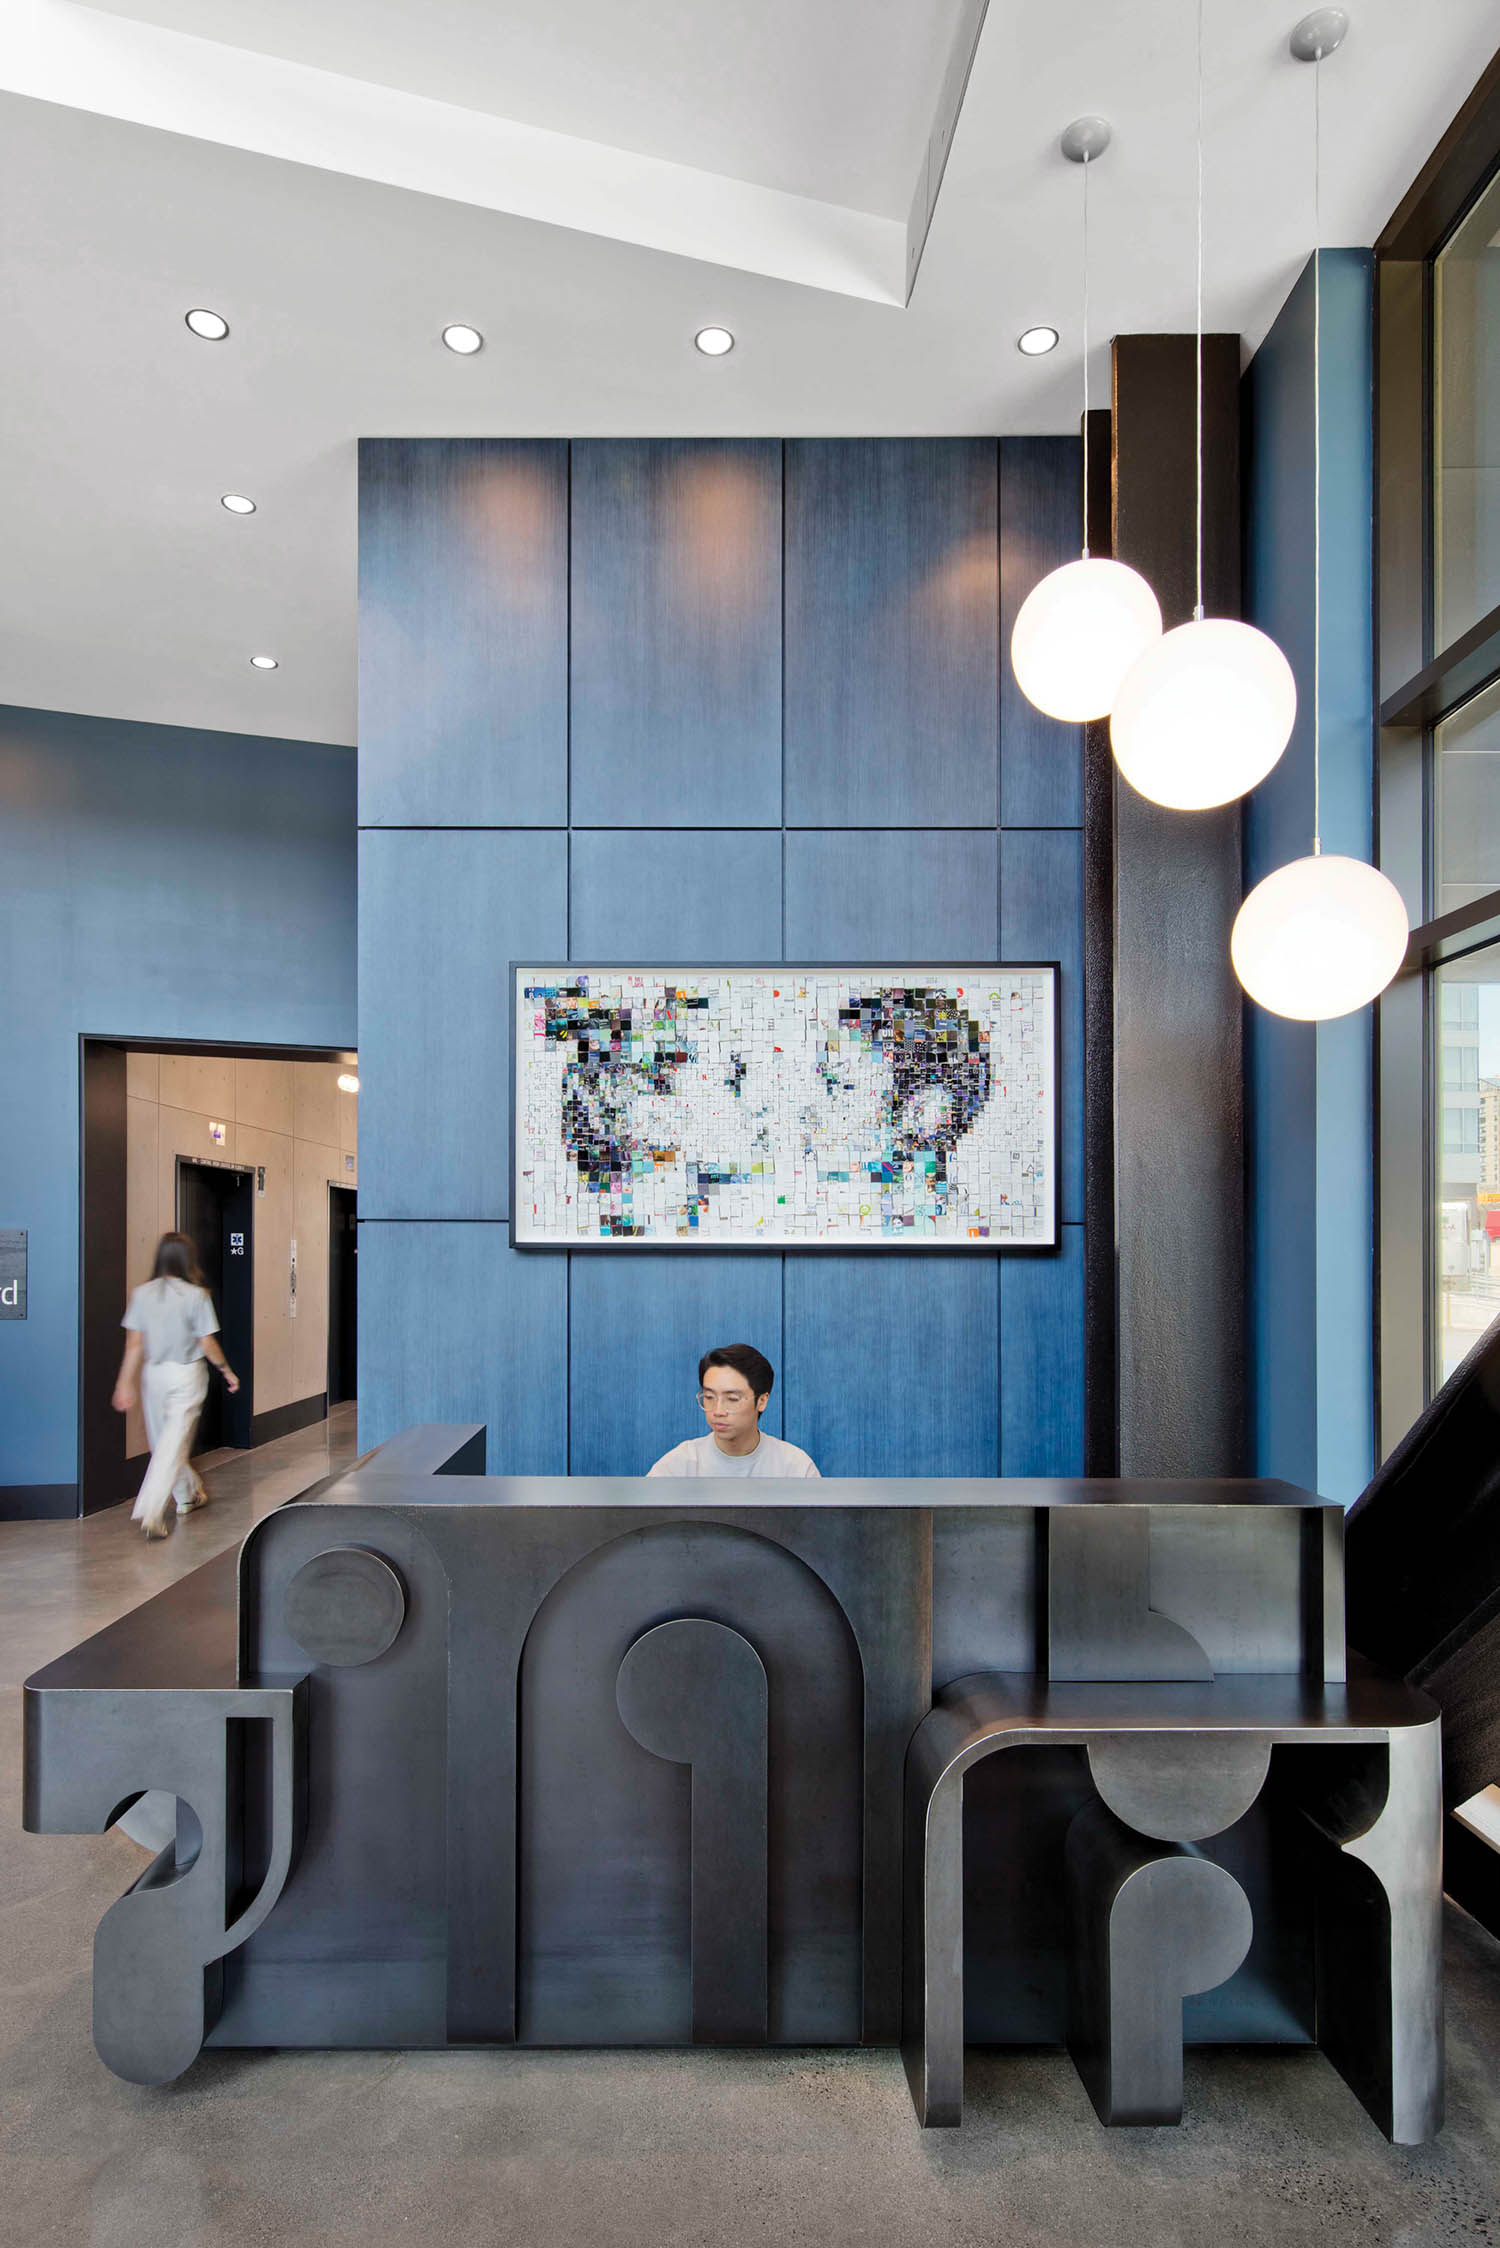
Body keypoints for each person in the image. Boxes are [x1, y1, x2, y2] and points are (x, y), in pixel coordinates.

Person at [112, 1231, 239, 1538]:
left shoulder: (142, 1294)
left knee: (164, 1442)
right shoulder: (196, 1295)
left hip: (153, 1374)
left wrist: (124, 1383)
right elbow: (206, 1342)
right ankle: (153, 1511)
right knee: (172, 1442)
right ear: (187, 1260)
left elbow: (134, 1345)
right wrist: (226, 1371)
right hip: (186, 1373)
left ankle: (187, 1494)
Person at [648, 1342, 820, 1478]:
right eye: (709, 1397)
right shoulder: (678, 1466)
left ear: (762, 1401)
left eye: (732, 1399)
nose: (718, 1411)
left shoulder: (795, 1469)